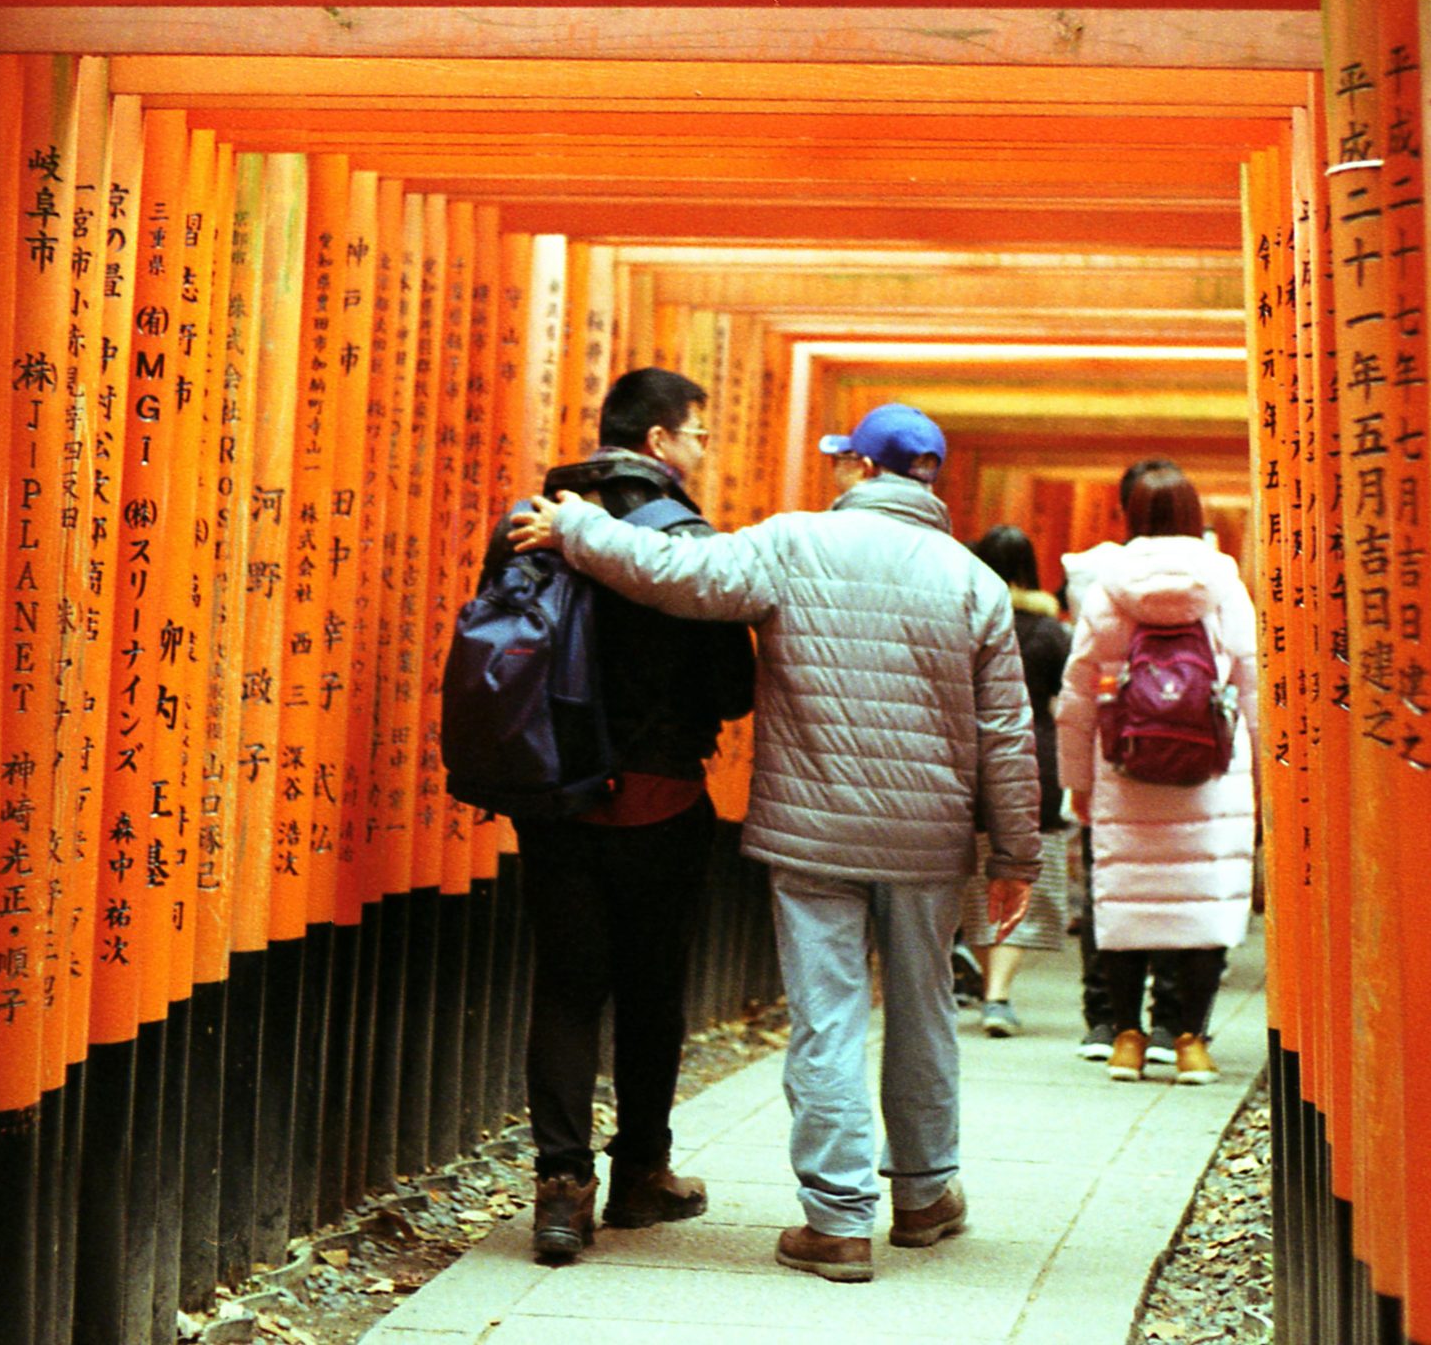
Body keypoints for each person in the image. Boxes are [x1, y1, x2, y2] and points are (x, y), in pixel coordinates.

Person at [510, 401, 1040, 1284]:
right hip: (927, 839)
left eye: (843, 461)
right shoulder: (973, 580)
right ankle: (923, 1194)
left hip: (813, 832)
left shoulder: (793, 544)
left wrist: (579, 528)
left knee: (825, 1017)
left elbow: (676, 573)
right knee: (924, 1010)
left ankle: (836, 1222)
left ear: (864, 470)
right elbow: (1008, 734)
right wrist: (1016, 857)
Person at [479, 367, 757, 1263]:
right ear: (657, 444)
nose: (704, 450)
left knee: (564, 986)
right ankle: (640, 1170)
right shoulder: (687, 543)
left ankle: (560, 1191)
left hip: (554, 801)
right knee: (651, 991)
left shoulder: (530, 525)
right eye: (699, 433)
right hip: (661, 797)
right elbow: (733, 687)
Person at [1056, 459, 1258, 1085]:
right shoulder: (1223, 582)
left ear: (1133, 516)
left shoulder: (1108, 584)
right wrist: (1270, 780)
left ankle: (1125, 1040)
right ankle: (1191, 1042)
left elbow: (1079, 694)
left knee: (1125, 905)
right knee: (1202, 906)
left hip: (1126, 768)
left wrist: (1077, 783)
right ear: (1195, 516)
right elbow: (1253, 682)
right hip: (1210, 775)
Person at [956, 525, 1071, 1039]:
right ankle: (999, 995)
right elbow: (1064, 702)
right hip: (1032, 758)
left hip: (964, 754)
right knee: (1022, 872)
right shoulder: (1049, 631)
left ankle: (987, 989)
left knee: (975, 872)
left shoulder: (962, 619)